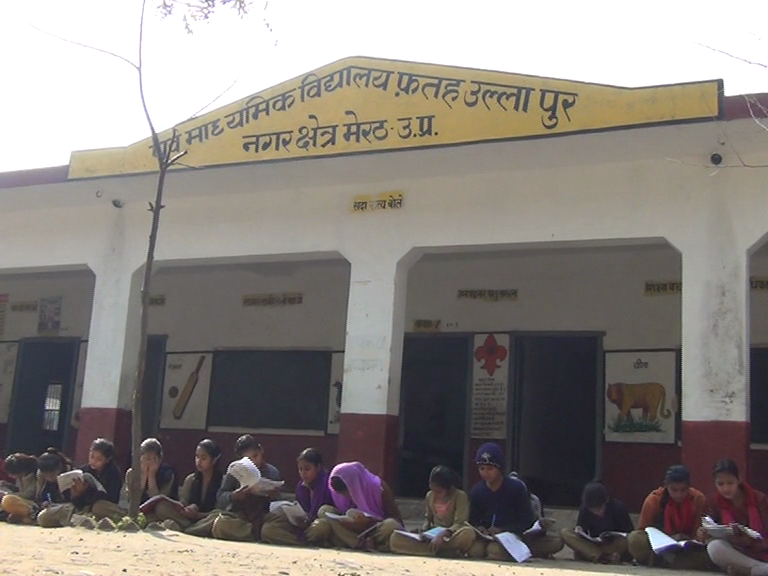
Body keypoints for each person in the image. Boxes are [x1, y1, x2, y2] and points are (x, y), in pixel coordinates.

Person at [468, 442, 563, 561]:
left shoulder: (516, 488)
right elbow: (473, 519)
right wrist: (480, 528)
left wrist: (504, 529)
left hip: (512, 535)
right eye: (482, 469)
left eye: (490, 469)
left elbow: (526, 521)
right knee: (475, 551)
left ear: (500, 468)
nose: (485, 473)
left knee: (494, 550)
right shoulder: (477, 490)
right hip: (487, 537)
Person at [627, 464, 711, 569]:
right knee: (635, 539)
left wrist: (693, 538)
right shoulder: (654, 500)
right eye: (674, 490)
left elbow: (701, 531)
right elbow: (642, 531)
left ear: (689, 487)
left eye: (683, 490)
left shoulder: (698, 499)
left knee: (709, 552)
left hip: (687, 549)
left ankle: (663, 563)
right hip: (658, 548)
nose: (679, 495)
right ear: (666, 486)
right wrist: (669, 538)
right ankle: (666, 561)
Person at [306, 461, 402, 552]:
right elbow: (335, 516)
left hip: (372, 531)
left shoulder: (379, 488)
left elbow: (396, 519)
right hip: (346, 529)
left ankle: (353, 542)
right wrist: (345, 521)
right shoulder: (336, 492)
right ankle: (362, 544)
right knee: (324, 511)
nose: (344, 496)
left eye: (347, 492)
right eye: (340, 493)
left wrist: (370, 522)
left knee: (391, 525)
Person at [389, 465, 475, 557]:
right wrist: (423, 532)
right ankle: (443, 552)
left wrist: (444, 534)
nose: (435, 494)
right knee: (395, 539)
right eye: (433, 490)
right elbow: (428, 519)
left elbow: (460, 523)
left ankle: (434, 550)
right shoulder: (429, 496)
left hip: (450, 536)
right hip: (433, 535)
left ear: (449, 488)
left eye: (438, 492)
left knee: (468, 533)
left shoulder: (460, 496)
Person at [209, 435, 283, 541]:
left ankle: (256, 533)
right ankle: (254, 534)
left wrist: (273, 495)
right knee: (220, 524)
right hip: (240, 517)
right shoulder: (235, 471)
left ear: (261, 450)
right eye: (249, 460)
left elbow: (277, 503)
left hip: (263, 517)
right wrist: (234, 496)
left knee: (271, 527)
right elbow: (220, 496)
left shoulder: (272, 472)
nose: (254, 462)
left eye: (255, 456)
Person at [702, 459, 768, 576]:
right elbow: (711, 526)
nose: (726, 489)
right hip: (737, 551)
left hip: (762, 550)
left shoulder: (759, 499)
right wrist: (704, 533)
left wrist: (751, 542)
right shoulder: (715, 502)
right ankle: (760, 570)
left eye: (730, 483)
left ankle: (750, 571)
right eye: (720, 484)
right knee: (714, 547)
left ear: (739, 479)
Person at [261, 448, 335, 546]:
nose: (303, 473)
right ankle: (306, 542)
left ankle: (309, 541)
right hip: (303, 526)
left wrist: (309, 519)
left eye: (307, 469)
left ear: (318, 468)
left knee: (321, 527)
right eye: (300, 469)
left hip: (317, 525)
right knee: (268, 530)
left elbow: (324, 514)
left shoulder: (327, 485)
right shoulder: (301, 487)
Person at [153, 438, 225, 532]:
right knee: (161, 507)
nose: (199, 461)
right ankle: (191, 528)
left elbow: (219, 510)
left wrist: (198, 515)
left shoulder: (222, 481)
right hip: (187, 520)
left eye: (203, 458)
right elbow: (183, 502)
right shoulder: (191, 479)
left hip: (206, 519)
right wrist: (187, 509)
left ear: (214, 460)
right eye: (197, 457)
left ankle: (189, 529)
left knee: (218, 517)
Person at [561, 481, 634, 564]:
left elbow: (629, 535)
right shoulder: (584, 509)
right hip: (594, 544)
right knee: (566, 532)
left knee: (628, 540)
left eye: (599, 509)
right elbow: (581, 531)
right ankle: (603, 557)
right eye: (593, 510)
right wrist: (580, 531)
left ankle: (592, 555)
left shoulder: (618, 508)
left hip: (613, 545)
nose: (596, 512)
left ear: (606, 500)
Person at [1, 448, 71, 524]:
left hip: (59, 507)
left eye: (52, 475)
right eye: (46, 476)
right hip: (43, 506)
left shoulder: (68, 476)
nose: (49, 478)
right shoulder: (42, 478)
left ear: (59, 469)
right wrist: (47, 501)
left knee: (43, 517)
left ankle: (29, 517)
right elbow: (45, 494)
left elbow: (30, 494)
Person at [123, 438, 177, 510]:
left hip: (158, 512)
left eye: (152, 459)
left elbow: (158, 500)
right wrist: (144, 475)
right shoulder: (131, 473)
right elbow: (132, 500)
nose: (148, 462)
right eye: (145, 458)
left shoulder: (167, 474)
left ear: (159, 459)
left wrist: (151, 475)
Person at [81, 438, 122, 504]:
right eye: (92, 456)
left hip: (104, 504)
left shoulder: (113, 474)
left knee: (99, 507)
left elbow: (113, 498)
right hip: (85, 503)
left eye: (99, 459)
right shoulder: (84, 470)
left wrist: (88, 491)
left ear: (108, 459)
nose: (93, 461)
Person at [0, 454, 39, 522]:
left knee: (8, 499)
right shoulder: (19, 478)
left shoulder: (34, 476)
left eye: (11, 474)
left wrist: (7, 494)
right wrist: (8, 485)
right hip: (20, 500)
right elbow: (18, 489)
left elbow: (29, 494)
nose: (9, 476)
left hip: (30, 504)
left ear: (22, 471)